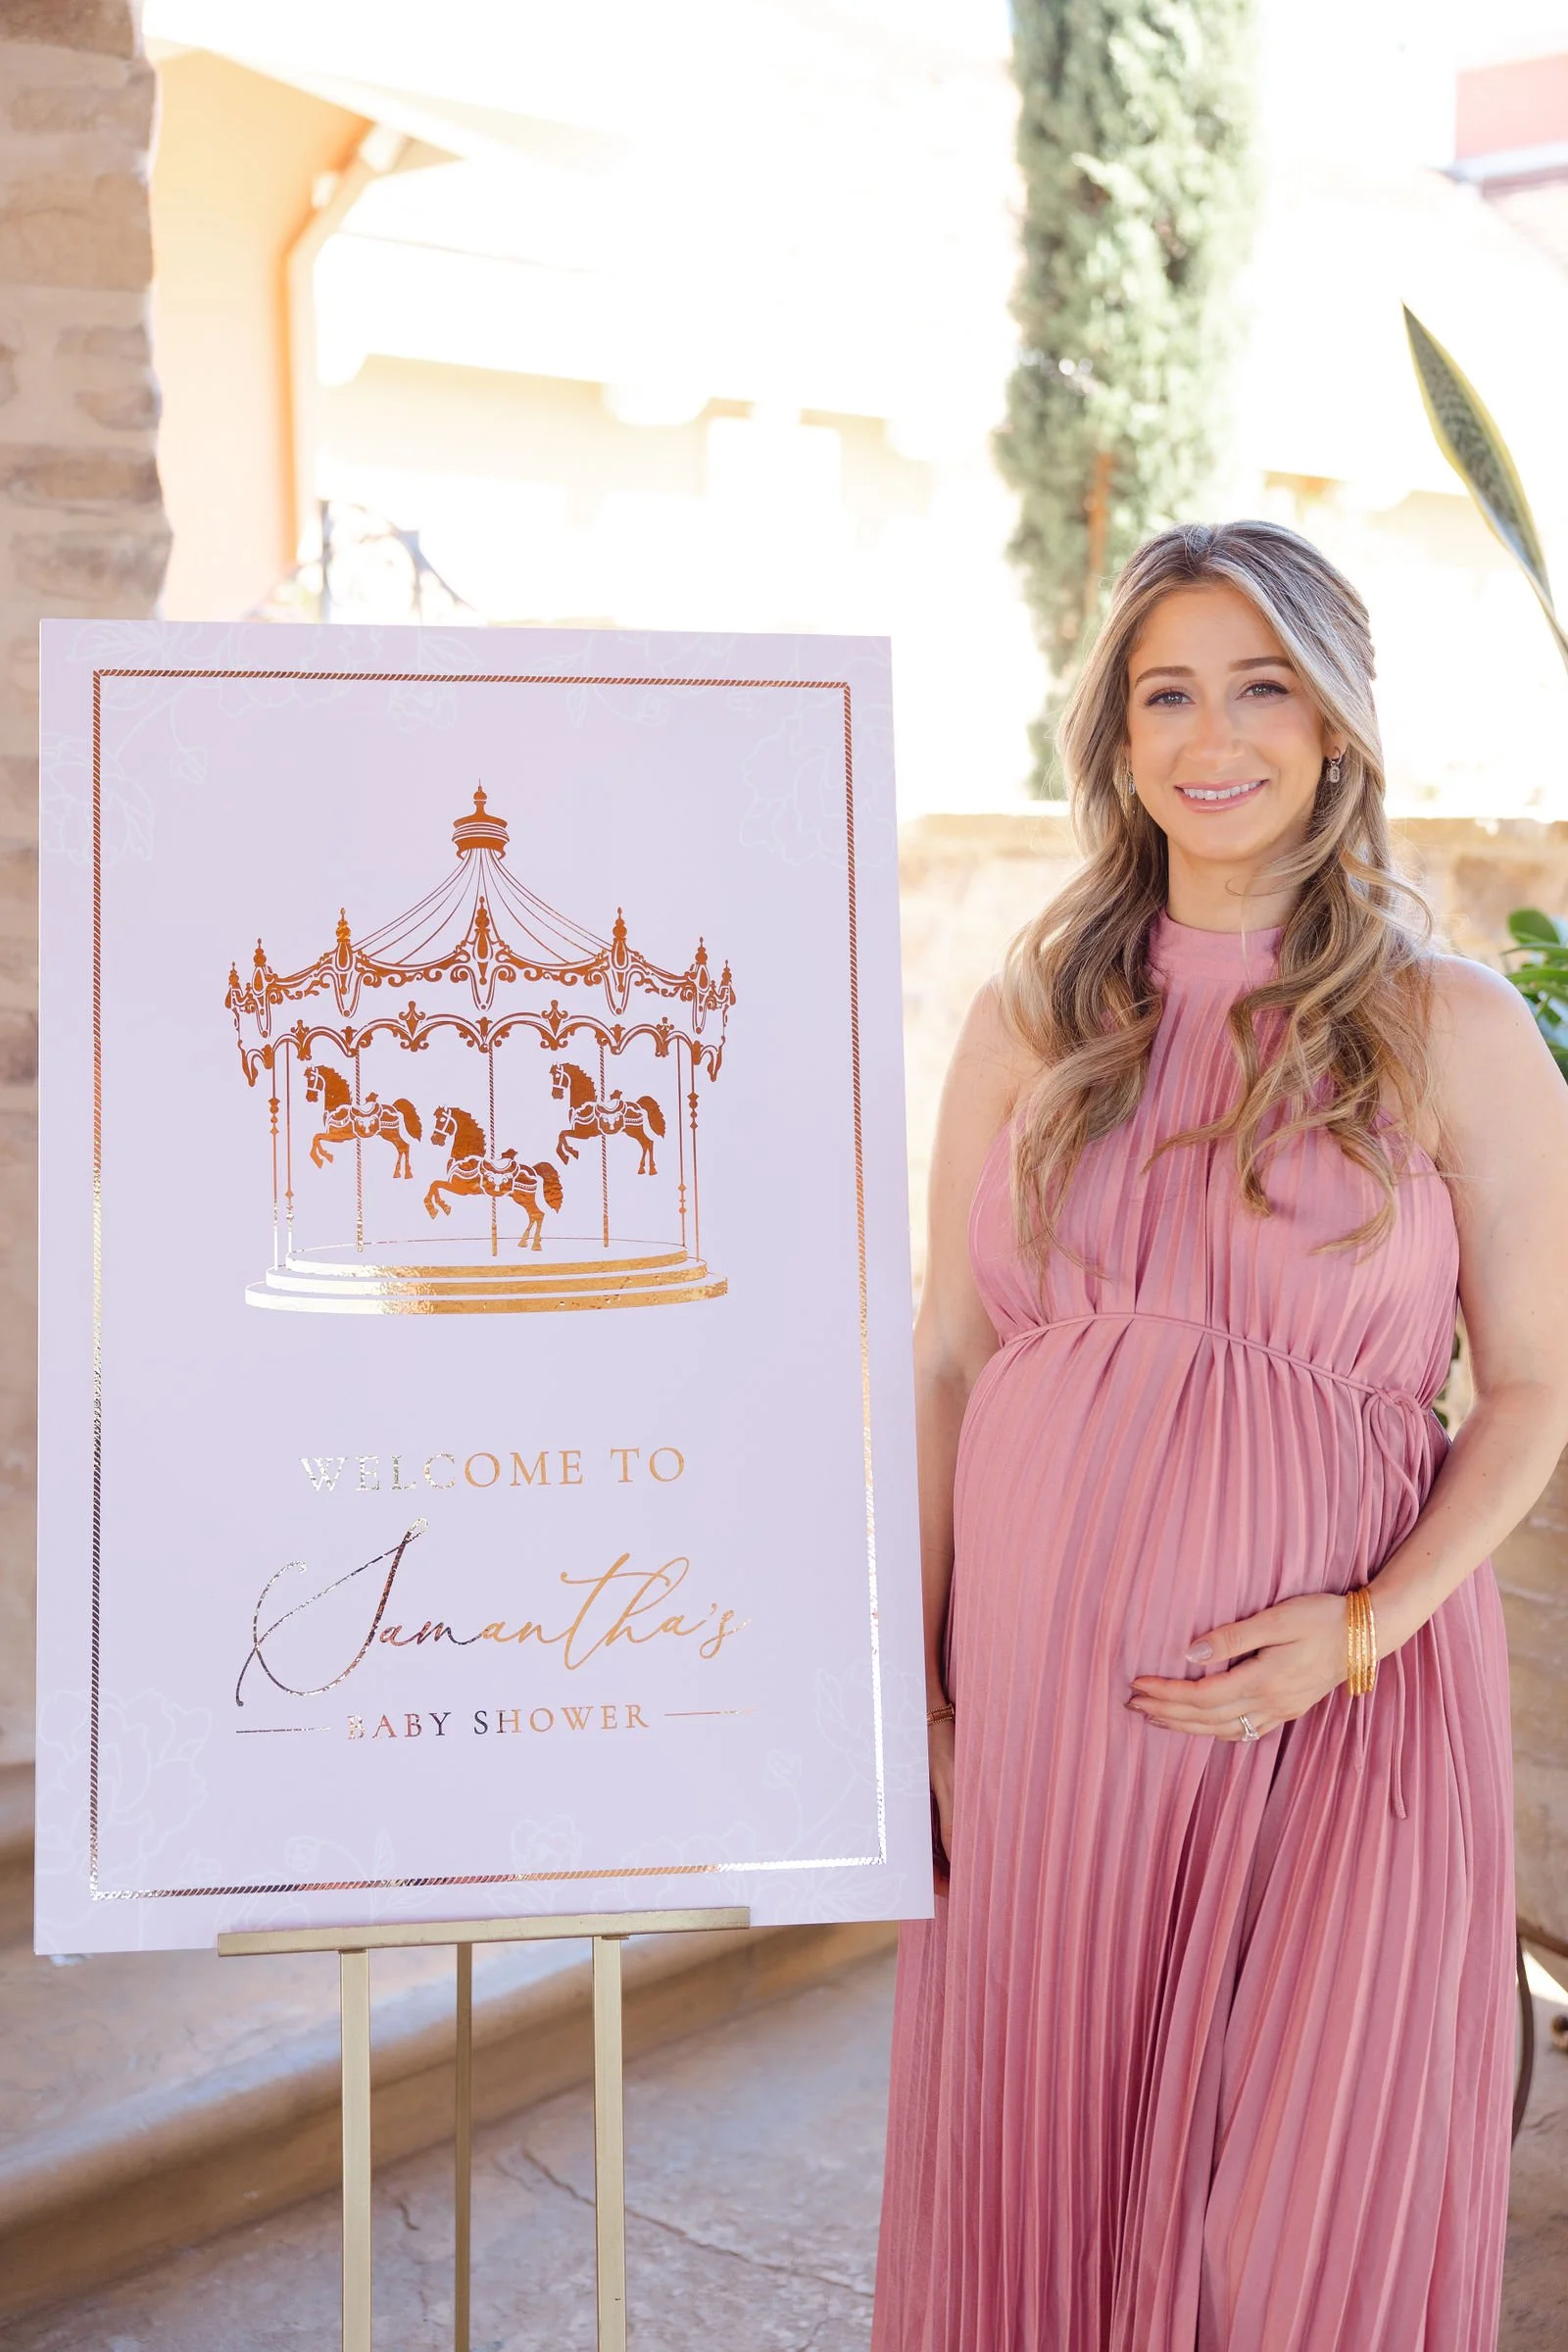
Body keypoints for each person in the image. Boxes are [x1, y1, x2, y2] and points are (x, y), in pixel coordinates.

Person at [872, 519, 1568, 2350]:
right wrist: (922, 1698)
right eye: (1166, 691)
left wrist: (1363, 1625)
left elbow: (1535, 1390)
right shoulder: (1041, 1015)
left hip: (1341, 1713)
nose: (1214, 735)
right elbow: (947, 1356)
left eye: (1262, 687)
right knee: (1051, 2176)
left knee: (1294, 2229)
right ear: (1114, 736)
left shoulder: (1454, 1027)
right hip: (1044, 1725)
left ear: (1337, 728)